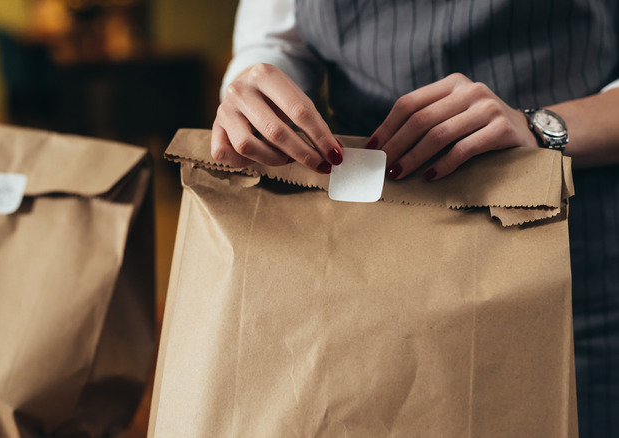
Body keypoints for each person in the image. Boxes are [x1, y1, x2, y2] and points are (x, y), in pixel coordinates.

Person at [212, 1, 619, 437]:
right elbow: (276, 42)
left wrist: (540, 127)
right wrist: (258, 95)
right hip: (356, 274)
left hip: (565, 275)